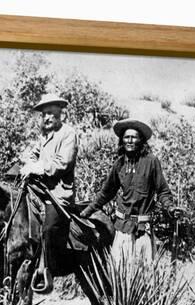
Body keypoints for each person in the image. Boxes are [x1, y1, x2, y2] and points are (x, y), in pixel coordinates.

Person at [80, 119, 183, 267]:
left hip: (143, 227)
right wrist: (87, 211)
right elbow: (106, 193)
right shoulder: (119, 164)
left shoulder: (151, 162)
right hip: (123, 228)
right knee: (120, 271)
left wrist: (170, 208)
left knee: (144, 272)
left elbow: (163, 191)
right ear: (122, 140)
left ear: (141, 139)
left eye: (134, 137)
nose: (130, 140)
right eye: (126, 137)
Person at [20, 93, 79, 293]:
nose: (47, 118)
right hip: (39, 190)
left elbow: (63, 163)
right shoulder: (44, 135)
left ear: (60, 114)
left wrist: (38, 167)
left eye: (51, 114)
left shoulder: (68, 134)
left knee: (48, 229)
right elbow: (32, 153)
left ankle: (47, 271)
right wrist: (29, 162)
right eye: (44, 114)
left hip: (58, 193)